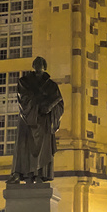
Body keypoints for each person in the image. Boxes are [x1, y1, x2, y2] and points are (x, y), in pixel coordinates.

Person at [7, 56, 64, 184]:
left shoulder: (51, 85)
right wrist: (40, 104)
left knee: (43, 149)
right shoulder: (25, 81)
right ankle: (22, 174)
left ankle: (40, 175)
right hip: (28, 119)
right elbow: (24, 98)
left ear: (45, 67)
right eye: (37, 64)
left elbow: (59, 103)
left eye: (41, 64)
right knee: (23, 146)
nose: (39, 66)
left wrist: (49, 107)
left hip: (43, 122)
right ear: (33, 66)